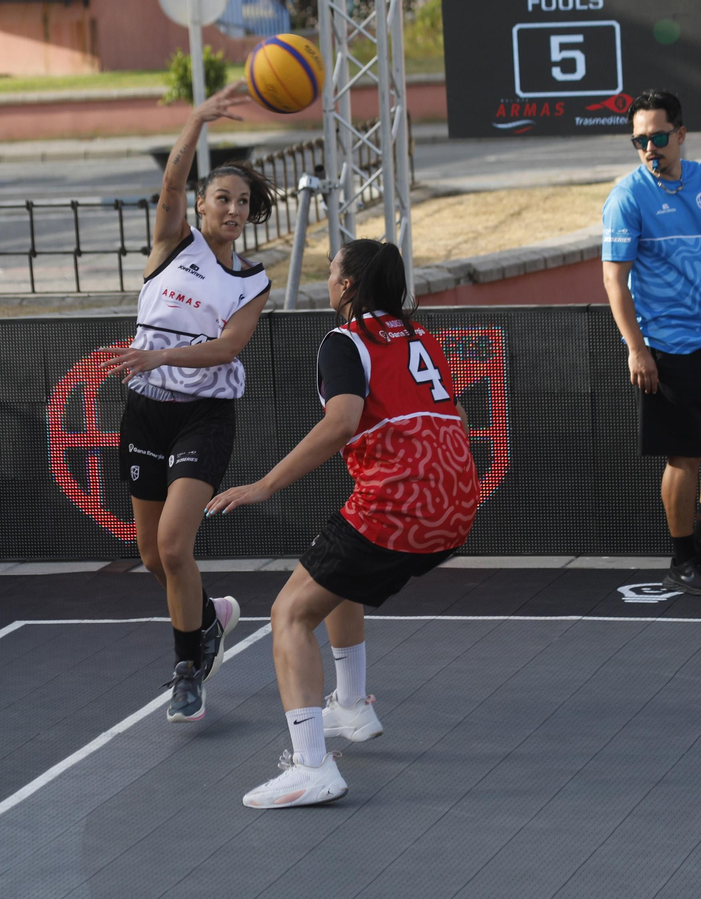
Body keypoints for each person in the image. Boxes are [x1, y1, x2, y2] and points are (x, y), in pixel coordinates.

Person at [206, 240, 479, 809]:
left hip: (401, 502)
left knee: (289, 614)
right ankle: (351, 706)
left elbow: (341, 423)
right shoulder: (422, 337)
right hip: (457, 500)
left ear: (348, 286)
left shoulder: (343, 341)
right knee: (334, 573)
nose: (328, 280)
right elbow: (456, 415)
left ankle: (311, 767)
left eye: (332, 272)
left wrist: (263, 485)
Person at [101, 82, 272, 724]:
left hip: (204, 416)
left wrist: (160, 355)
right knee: (152, 556)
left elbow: (228, 348)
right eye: (221, 197)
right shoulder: (173, 245)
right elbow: (171, 181)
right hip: (147, 409)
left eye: (243, 202)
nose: (231, 207)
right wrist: (196, 120)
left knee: (175, 547)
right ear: (200, 205)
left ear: (250, 216)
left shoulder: (252, 281)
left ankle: (186, 673)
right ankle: (209, 620)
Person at [600, 88, 701, 596]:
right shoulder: (627, 197)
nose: (650, 147)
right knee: (684, 458)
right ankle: (683, 558)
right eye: (640, 140)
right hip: (667, 349)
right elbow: (613, 279)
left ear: (681, 133)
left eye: (659, 136)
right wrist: (637, 348)